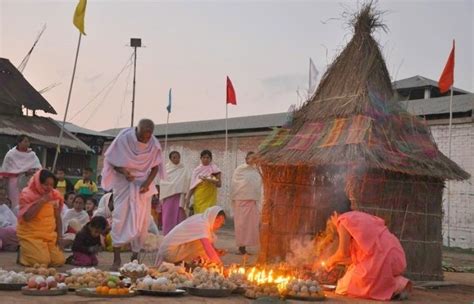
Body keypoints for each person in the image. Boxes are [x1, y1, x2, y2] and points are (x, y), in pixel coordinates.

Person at [316, 198, 411, 301]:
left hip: (381, 257)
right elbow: (356, 258)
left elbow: (342, 253)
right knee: (354, 271)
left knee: (343, 287)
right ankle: (398, 284)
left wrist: (329, 262)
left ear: (334, 215)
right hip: (395, 254)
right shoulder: (357, 217)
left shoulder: (343, 221)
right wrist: (336, 262)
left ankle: (395, 287)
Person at [101, 118, 163, 269]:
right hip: (123, 183)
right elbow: (112, 161)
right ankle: (116, 259)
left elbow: (156, 167)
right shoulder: (123, 139)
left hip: (143, 185)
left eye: (149, 136)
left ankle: (134, 258)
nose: (145, 139)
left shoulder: (153, 144)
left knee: (142, 222)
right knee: (119, 218)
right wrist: (124, 172)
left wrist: (147, 183)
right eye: (143, 135)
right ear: (137, 130)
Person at [16, 169, 65, 266]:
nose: (49, 188)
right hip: (31, 235)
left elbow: (57, 217)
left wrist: (59, 237)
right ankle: (22, 253)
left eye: (51, 185)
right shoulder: (27, 194)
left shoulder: (54, 195)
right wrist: (42, 201)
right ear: (38, 182)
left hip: (49, 235)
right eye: (46, 184)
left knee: (59, 261)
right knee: (41, 262)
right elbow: (27, 217)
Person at [156, 206, 226, 265]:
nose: (219, 225)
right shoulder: (202, 224)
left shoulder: (202, 219)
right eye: (218, 221)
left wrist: (215, 251)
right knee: (202, 246)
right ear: (213, 217)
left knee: (205, 245)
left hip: (169, 249)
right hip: (169, 252)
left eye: (221, 223)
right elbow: (207, 247)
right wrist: (219, 264)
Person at [230, 151, 262, 255]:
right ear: (246, 159)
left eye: (254, 158)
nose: (252, 160)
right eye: (250, 158)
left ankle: (246, 246)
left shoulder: (257, 170)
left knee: (251, 225)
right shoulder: (239, 170)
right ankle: (241, 247)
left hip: (252, 201)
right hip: (240, 200)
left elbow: (258, 184)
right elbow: (236, 184)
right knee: (241, 225)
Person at [1, 135, 41, 210]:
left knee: (27, 200)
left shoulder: (32, 155)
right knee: (14, 202)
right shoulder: (11, 154)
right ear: (19, 142)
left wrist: (31, 171)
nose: (27, 143)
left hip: (28, 181)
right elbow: (5, 170)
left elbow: (38, 168)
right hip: (13, 182)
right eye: (25, 141)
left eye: (28, 142)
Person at [159, 151, 190, 235]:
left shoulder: (183, 169)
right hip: (168, 196)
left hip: (179, 196)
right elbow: (162, 183)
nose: (176, 159)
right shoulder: (166, 169)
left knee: (179, 215)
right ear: (170, 158)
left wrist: (179, 187)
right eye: (174, 157)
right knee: (168, 215)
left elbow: (187, 181)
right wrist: (174, 186)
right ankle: (167, 234)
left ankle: (179, 235)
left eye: (178, 157)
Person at [186, 150, 221, 214]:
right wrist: (188, 199)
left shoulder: (215, 170)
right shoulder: (196, 170)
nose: (205, 159)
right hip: (199, 197)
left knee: (208, 216)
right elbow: (193, 186)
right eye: (204, 157)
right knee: (199, 216)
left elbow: (219, 184)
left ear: (211, 159)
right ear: (200, 158)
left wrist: (210, 180)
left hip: (210, 197)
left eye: (208, 157)